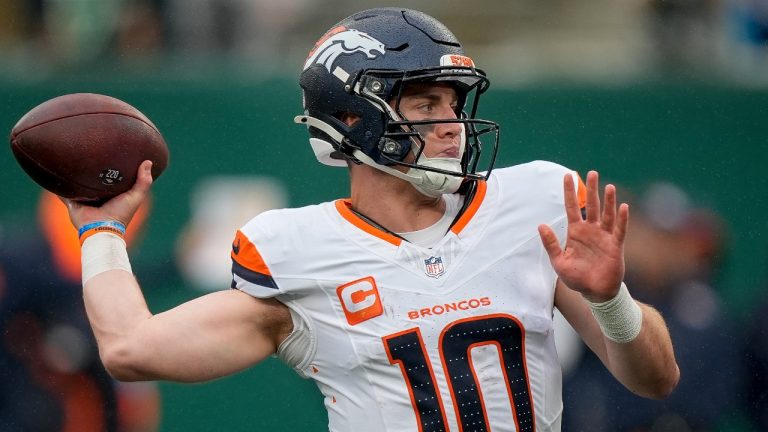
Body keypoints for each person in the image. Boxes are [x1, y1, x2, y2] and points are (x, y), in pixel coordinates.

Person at [60, 8, 679, 431]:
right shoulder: (297, 253)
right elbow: (130, 350)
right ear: (352, 118)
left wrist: (610, 300)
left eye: (454, 104)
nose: (450, 124)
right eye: (424, 102)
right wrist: (101, 230)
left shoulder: (537, 204)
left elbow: (657, 379)